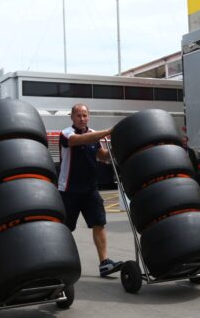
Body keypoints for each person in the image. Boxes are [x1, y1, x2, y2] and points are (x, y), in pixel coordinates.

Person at [58, 103, 123, 277]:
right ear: (71, 117)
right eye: (78, 115)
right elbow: (76, 141)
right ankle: (60, 262)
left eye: (85, 115)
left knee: (99, 223)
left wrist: (116, 149)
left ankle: (104, 263)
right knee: (64, 228)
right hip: (69, 190)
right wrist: (108, 131)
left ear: (89, 116)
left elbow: (102, 156)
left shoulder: (93, 134)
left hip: (90, 189)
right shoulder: (66, 133)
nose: (82, 118)